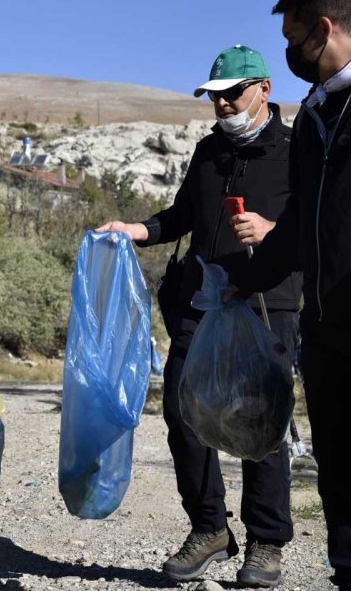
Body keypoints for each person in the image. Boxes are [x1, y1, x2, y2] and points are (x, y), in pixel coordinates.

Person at [97, 45, 301, 588]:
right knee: (186, 415)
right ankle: (209, 527)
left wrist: (274, 233)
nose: (223, 106)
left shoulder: (297, 150)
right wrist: (138, 231)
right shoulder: (209, 152)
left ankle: (266, 542)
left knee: (262, 422)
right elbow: (183, 214)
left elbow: (324, 228)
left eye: (232, 94)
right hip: (201, 304)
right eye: (214, 98)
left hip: (264, 304)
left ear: (264, 88)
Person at [228, 0, 351, 591]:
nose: (291, 49)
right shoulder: (317, 116)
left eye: (295, 37)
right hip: (326, 331)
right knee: (338, 477)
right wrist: (247, 283)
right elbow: (299, 227)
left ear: (325, 30)